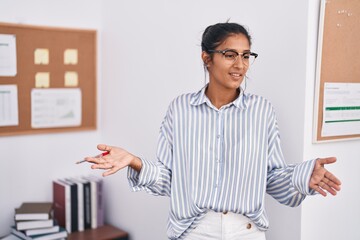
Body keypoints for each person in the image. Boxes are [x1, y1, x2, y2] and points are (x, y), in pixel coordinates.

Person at [85, 22, 341, 240]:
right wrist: (135, 161)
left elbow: (271, 178)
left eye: (246, 55)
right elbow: (170, 181)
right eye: (230, 54)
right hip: (193, 231)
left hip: (247, 232)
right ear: (206, 58)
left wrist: (302, 177)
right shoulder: (180, 109)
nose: (240, 65)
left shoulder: (262, 111)